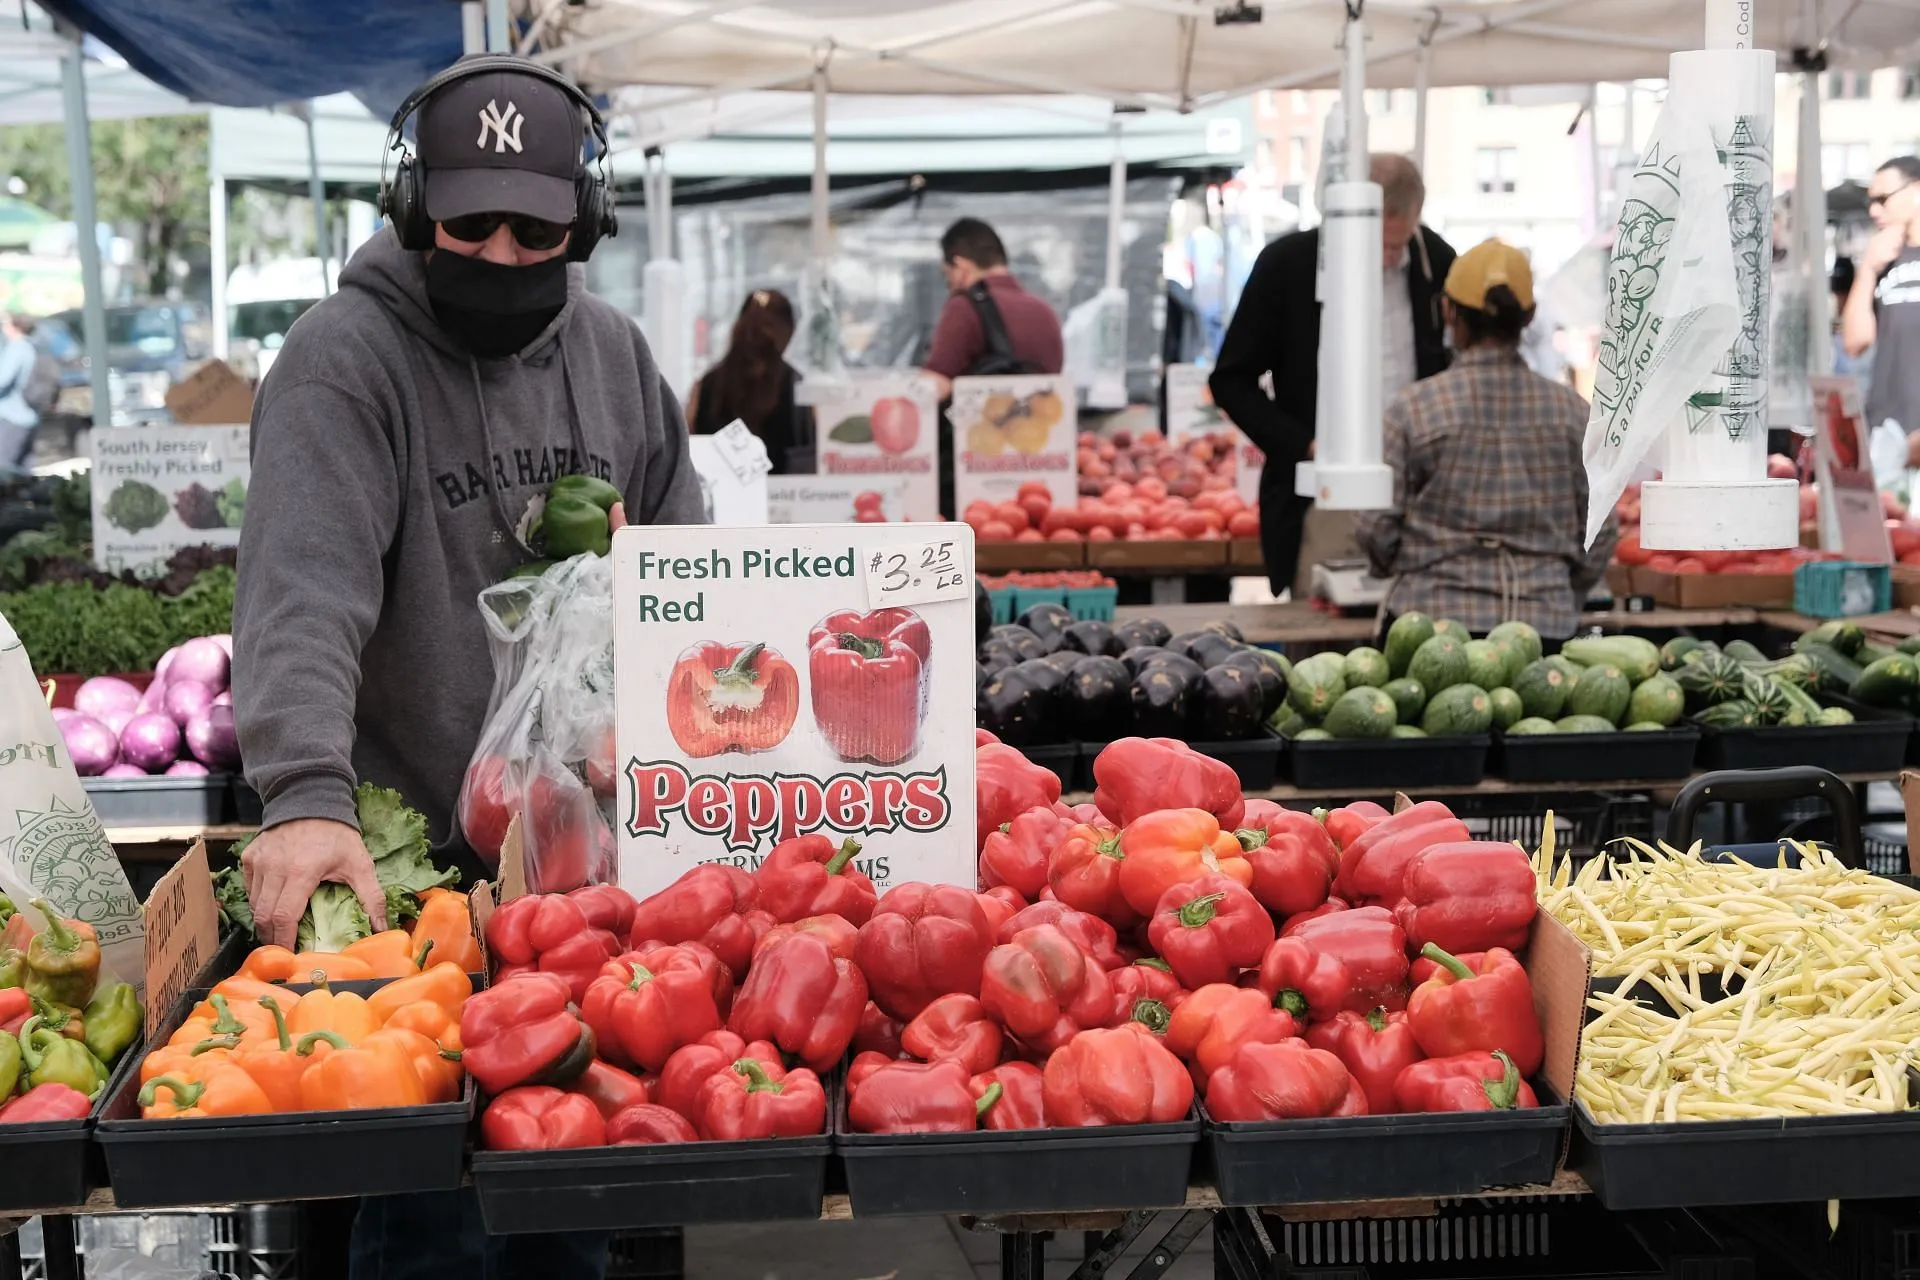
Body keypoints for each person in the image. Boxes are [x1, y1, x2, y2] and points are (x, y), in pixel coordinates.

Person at [231, 54, 703, 1280]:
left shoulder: (613, 357)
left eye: (535, 226)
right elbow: (302, 591)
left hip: (596, 878)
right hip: (420, 890)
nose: (499, 253)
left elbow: (692, 572)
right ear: (409, 207)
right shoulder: (343, 360)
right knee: (428, 1232)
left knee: (581, 1204)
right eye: (469, 219)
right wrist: (306, 794)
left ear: (584, 222)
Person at [1210, 154, 1456, 598]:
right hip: (1323, 498)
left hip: (1423, 498)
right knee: (1322, 637)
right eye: (1378, 244)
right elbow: (1231, 379)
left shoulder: (1435, 263)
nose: (1388, 257)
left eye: (1398, 244)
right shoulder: (1287, 266)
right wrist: (1304, 443)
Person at [1353, 239, 1616, 639]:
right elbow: (1602, 530)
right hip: (1541, 629)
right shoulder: (1574, 415)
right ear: (1529, 317)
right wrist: (1560, 590)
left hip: (1429, 630)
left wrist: (1402, 564)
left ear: (1449, 311)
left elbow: (1375, 527)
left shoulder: (1414, 409)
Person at [921, 217, 1064, 515]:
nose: (949, 286)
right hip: (1042, 474)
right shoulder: (1045, 313)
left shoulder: (964, 308)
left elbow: (934, 386)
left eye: (947, 276)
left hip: (978, 482)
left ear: (960, 267)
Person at [1843, 157, 1920, 460]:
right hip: (1886, 434)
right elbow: (1855, 342)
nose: (1874, 211)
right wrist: (1867, 270)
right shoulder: (1882, 260)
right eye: (1870, 202)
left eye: (1883, 199)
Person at [686, 288, 812, 473]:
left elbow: (688, 443)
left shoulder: (706, 385)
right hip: (789, 497)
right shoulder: (801, 387)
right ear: (789, 331)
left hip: (719, 498)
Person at [0, 314, 40, 470]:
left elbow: (2, 379)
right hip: (31, 415)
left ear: (14, 326)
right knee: (24, 468)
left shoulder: (17, 348)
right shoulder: (32, 346)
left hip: (13, 416)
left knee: (3, 467)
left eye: (5, 323)